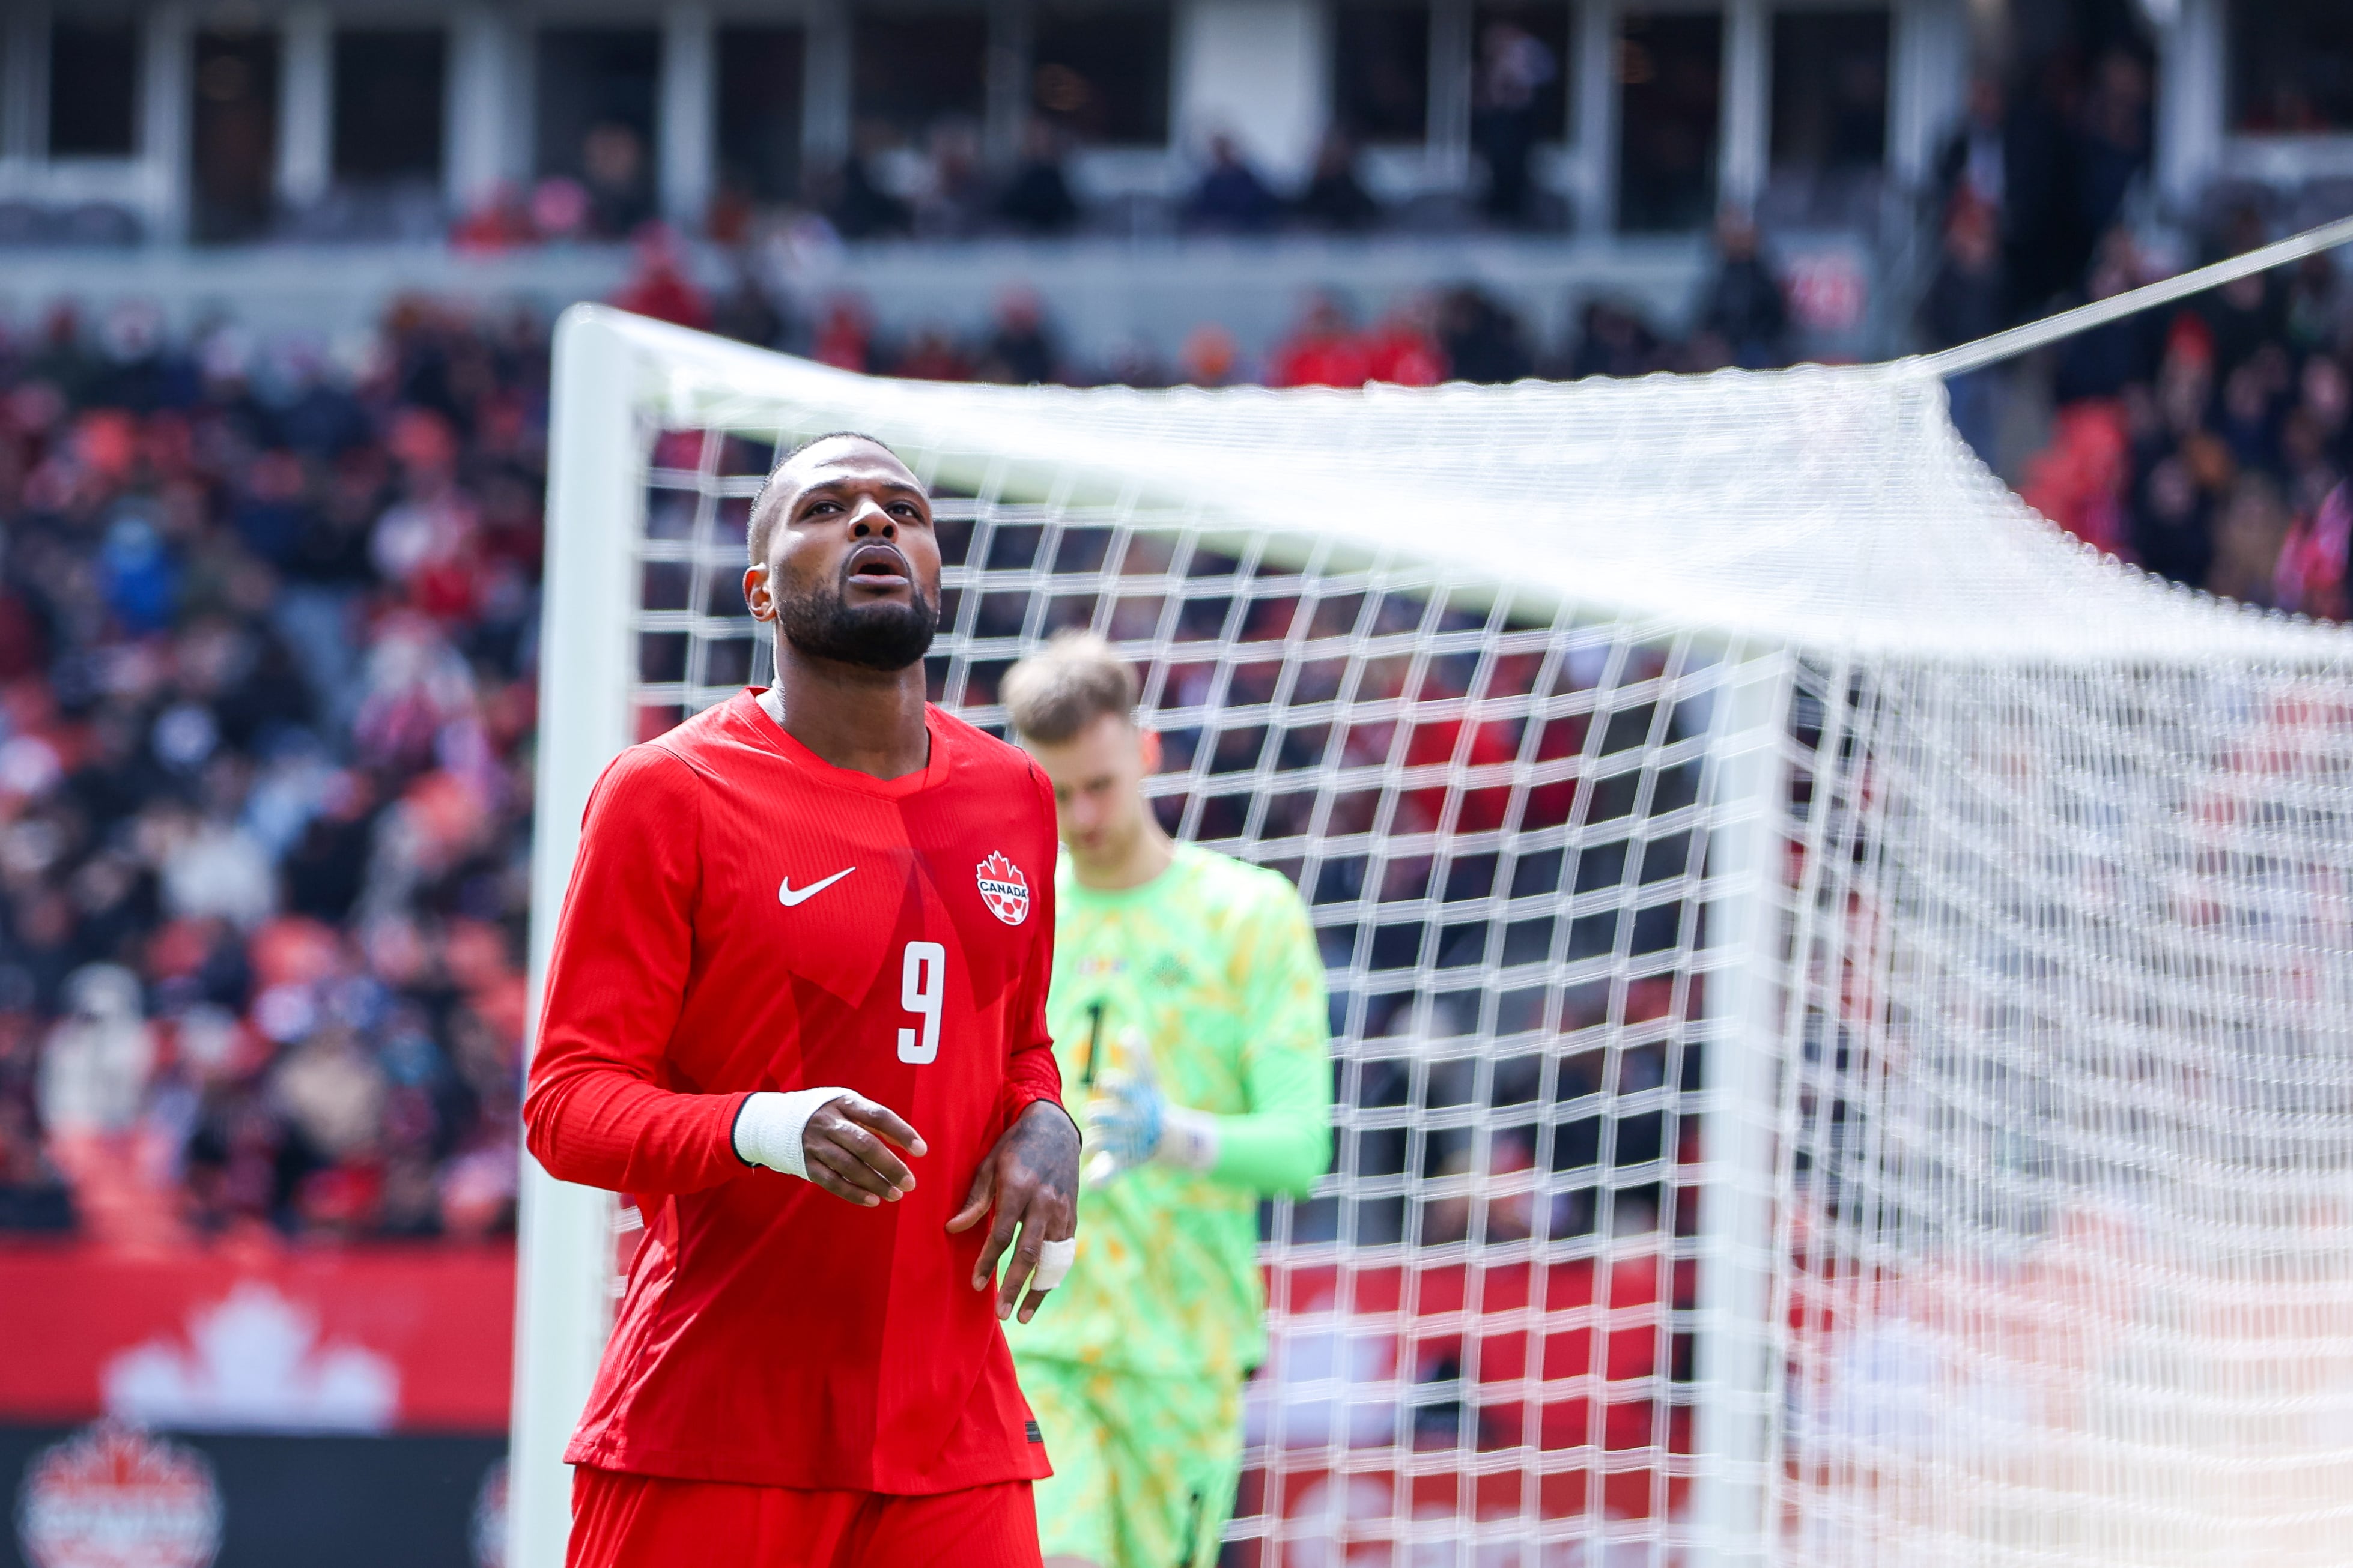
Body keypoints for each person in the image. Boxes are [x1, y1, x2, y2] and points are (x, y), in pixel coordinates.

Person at [524, 432, 1084, 1567]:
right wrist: (767, 1128)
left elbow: (1018, 1042)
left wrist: (1050, 1122)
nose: (876, 523)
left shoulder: (1015, 793)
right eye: (827, 508)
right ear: (760, 590)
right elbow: (567, 1106)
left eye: (904, 511)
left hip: (953, 1439)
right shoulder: (666, 793)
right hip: (719, 1425)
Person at [998, 632, 1332, 1568]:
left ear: (1145, 754)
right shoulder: (1017, 918)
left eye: (1099, 784)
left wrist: (1174, 1138)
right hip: (1035, 1334)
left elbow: (1301, 1148)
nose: (1083, 813)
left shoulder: (1249, 915)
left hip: (1182, 1356)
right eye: (1057, 793)